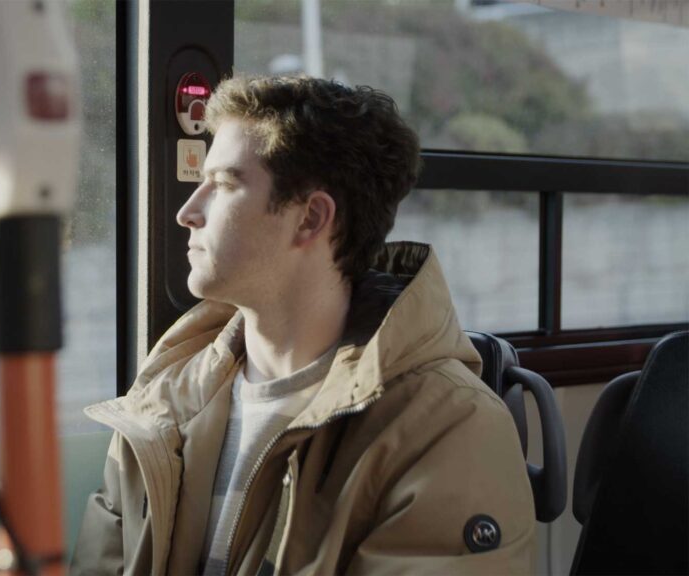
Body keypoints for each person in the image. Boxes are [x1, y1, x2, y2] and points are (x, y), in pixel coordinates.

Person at [71, 76, 534, 575]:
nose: (188, 212)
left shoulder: (449, 428)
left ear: (311, 218)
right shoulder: (162, 401)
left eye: (224, 184)